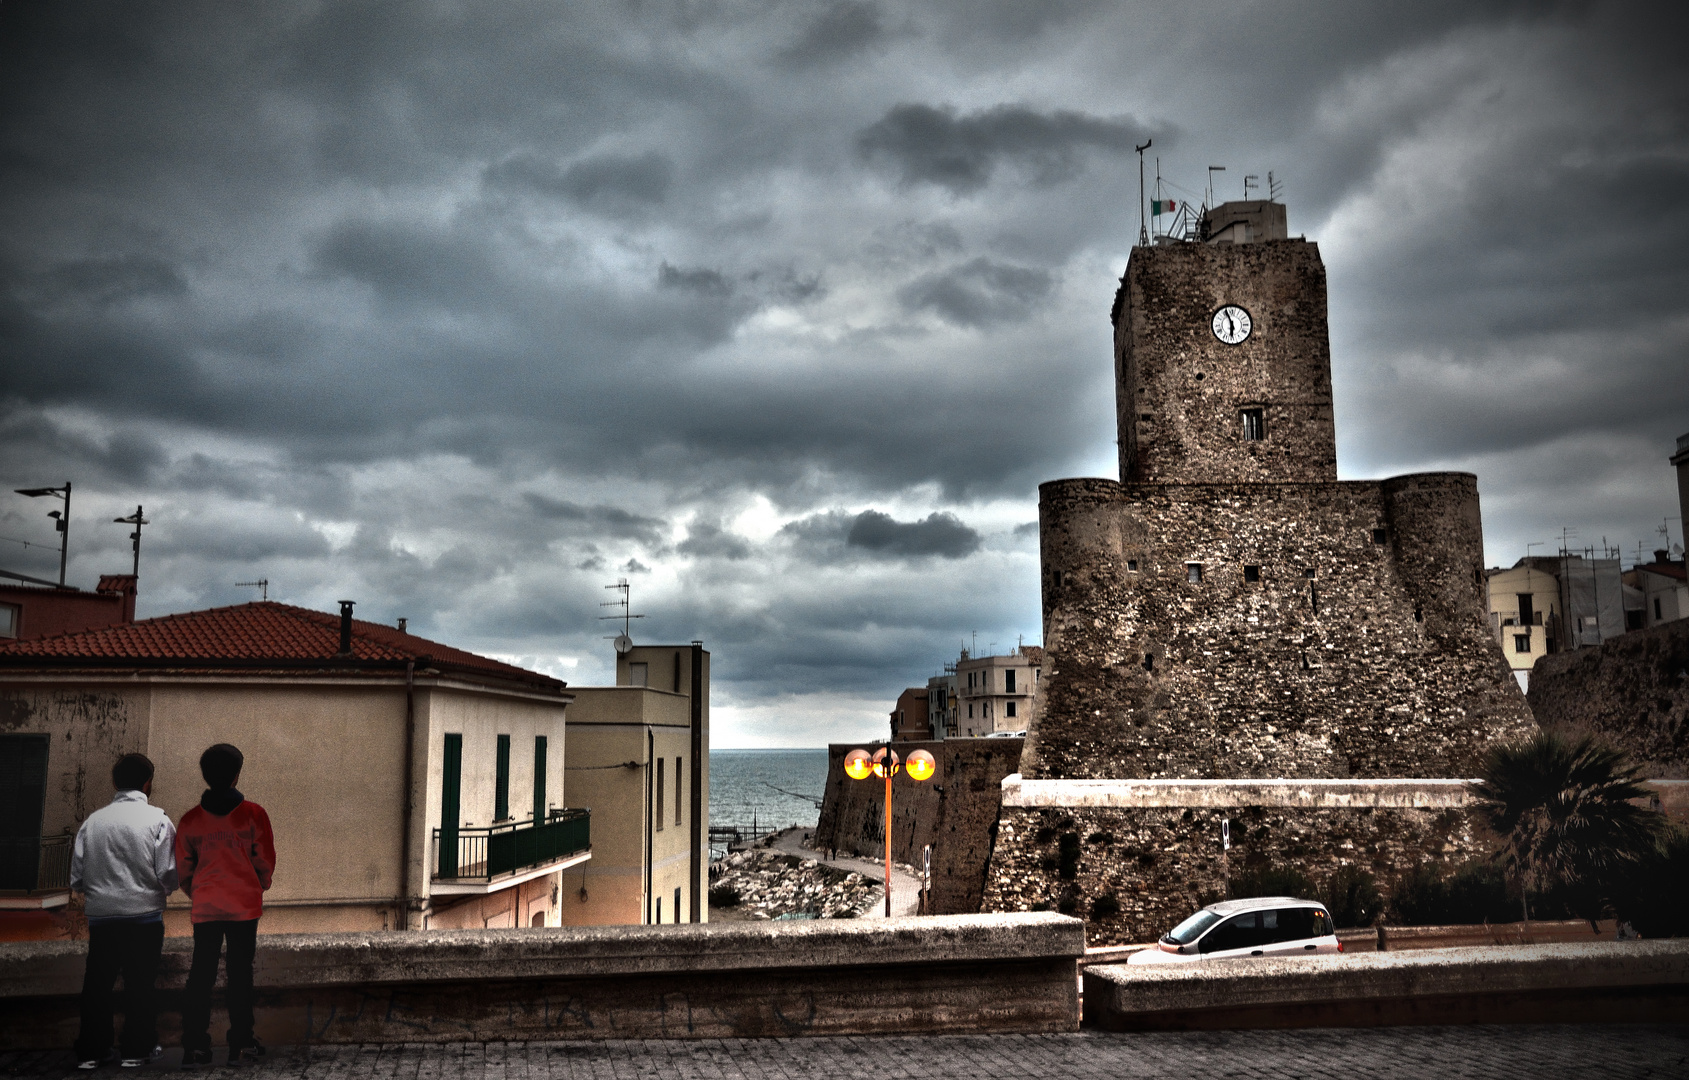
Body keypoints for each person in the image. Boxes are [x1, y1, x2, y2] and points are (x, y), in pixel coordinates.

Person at [71, 753, 178, 1070]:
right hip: (144, 917)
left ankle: (91, 1051)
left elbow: (77, 877)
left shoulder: (93, 822)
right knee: (141, 984)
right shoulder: (158, 820)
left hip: (102, 918)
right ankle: (136, 1049)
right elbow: (169, 874)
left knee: (97, 985)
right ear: (148, 783)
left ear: (115, 782)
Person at [175, 744, 274, 1066]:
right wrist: (258, 885)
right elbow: (265, 861)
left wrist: (199, 892)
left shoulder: (190, 820)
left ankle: (195, 1046)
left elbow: (183, 868)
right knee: (240, 974)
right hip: (244, 906)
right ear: (236, 774)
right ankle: (242, 1042)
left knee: (200, 976)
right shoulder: (254, 814)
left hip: (206, 907)